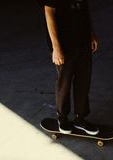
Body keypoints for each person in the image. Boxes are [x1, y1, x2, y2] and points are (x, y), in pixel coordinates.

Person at [39, 0, 99, 135]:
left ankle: (80, 118)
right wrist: (56, 47)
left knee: (83, 80)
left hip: (82, 41)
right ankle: (62, 117)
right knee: (64, 81)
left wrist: (91, 33)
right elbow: (49, 13)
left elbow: (84, 10)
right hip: (64, 44)